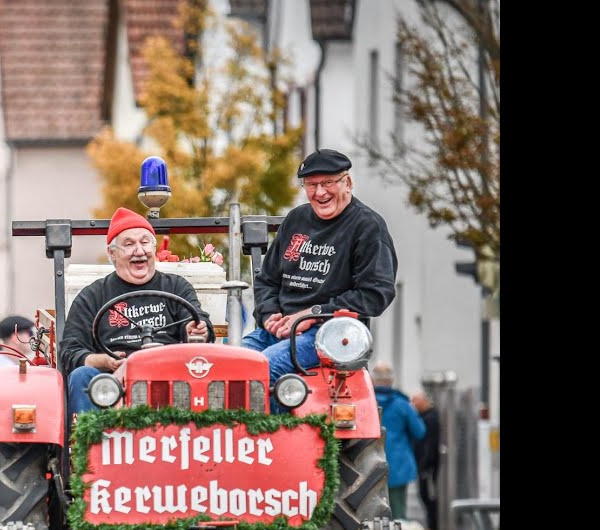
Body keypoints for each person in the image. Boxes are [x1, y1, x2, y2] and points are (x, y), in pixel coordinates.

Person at [243, 149, 399, 411]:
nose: (320, 193)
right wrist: (270, 314)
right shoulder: (296, 220)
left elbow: (375, 293)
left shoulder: (367, 227)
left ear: (347, 183)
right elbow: (267, 279)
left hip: (328, 335)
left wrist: (312, 314)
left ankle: (266, 440)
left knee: (263, 369)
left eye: (328, 183)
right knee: (230, 366)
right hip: (278, 329)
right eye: (311, 185)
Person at [59, 206, 214, 415]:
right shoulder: (92, 296)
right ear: (112, 254)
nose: (139, 251)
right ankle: (90, 444)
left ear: (154, 248)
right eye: (129, 244)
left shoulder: (177, 287)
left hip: (171, 374)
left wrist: (197, 329)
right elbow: (70, 352)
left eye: (144, 242)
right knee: (82, 376)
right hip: (112, 385)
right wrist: (105, 361)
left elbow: (196, 322)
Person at [371, 362, 426, 521]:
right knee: (398, 513)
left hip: (368, 464)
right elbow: (420, 432)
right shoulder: (403, 404)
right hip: (399, 465)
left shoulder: (366, 403)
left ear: (372, 380)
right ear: (391, 380)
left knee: (371, 513)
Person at [411, 391, 442, 530]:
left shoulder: (430, 418)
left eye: (416, 401)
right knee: (425, 494)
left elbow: (431, 444)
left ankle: (433, 526)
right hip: (423, 463)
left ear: (424, 401)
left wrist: (425, 463)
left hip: (428, 465)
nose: (413, 404)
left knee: (428, 494)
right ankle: (432, 525)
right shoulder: (424, 417)